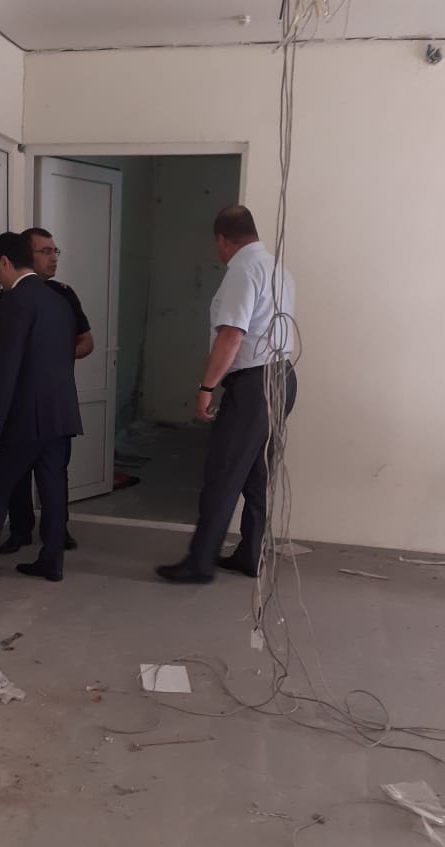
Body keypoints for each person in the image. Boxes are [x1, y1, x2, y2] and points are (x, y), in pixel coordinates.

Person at [156, 205, 298, 585]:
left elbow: (232, 335)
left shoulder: (243, 270)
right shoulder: (277, 268)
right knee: (257, 473)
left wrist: (206, 388)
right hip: (281, 377)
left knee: (223, 473)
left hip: (254, 384)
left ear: (221, 239)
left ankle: (199, 564)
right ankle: (251, 554)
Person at [0, 232, 82, 582]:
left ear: (5, 261)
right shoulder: (59, 300)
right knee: (53, 490)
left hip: (24, 418)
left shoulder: (15, 301)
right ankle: (52, 561)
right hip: (60, 413)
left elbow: (6, 367)